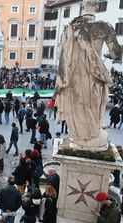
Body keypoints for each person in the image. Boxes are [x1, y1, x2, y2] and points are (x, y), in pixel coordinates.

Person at [54, 4, 122, 150]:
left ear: (83, 7)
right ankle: (91, 135)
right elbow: (116, 52)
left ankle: (81, 136)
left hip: (75, 75)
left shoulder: (70, 28)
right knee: (93, 104)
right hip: (95, 74)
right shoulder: (104, 26)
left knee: (78, 104)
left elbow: (62, 53)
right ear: (96, 7)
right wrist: (107, 55)